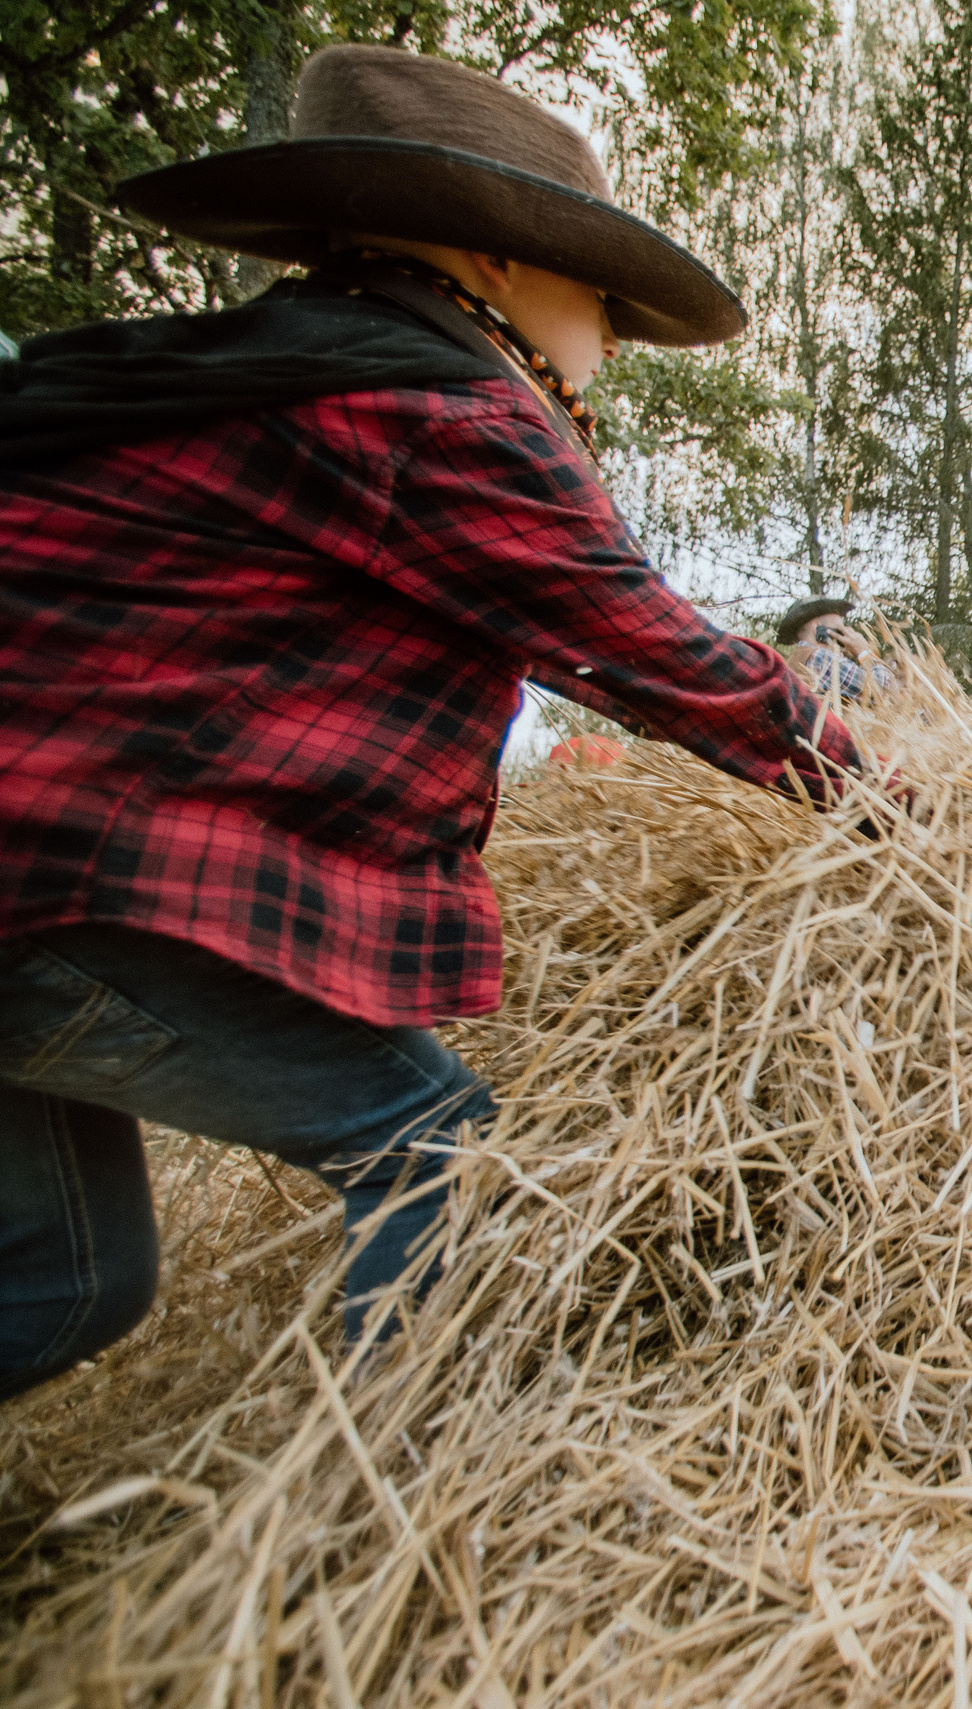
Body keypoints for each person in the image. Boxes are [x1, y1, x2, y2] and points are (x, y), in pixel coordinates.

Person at [0, 48, 874, 1402]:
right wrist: (897, 806)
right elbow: (656, 653)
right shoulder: (429, 410)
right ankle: (391, 1500)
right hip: (50, 875)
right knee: (435, 1143)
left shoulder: (268, 374)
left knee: (66, 1282)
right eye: (602, 302)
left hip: (38, 871)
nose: (610, 346)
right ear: (500, 262)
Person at [777, 597, 894, 703]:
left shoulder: (795, 661)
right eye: (839, 631)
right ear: (817, 628)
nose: (844, 638)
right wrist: (863, 651)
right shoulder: (820, 657)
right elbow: (883, 689)